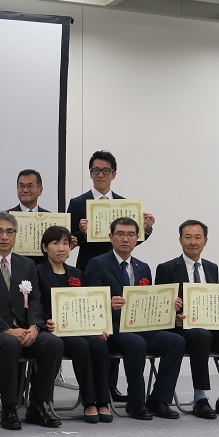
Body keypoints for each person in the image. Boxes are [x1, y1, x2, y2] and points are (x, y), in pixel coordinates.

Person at [66, 150, 156, 402]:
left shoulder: (124, 204)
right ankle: (96, 387)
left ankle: (112, 386)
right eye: (96, 170)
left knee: (120, 322)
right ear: (90, 173)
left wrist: (147, 229)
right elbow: (68, 241)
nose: (101, 175)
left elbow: (132, 240)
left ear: (114, 174)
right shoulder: (77, 203)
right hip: (91, 268)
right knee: (100, 325)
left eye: (106, 170)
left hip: (121, 269)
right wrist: (81, 233)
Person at [0, 212, 64, 430]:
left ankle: (38, 405)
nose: (4, 236)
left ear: (16, 235)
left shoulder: (27, 264)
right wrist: (6, 330)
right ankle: (9, 407)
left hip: (24, 330)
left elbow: (35, 299)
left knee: (53, 343)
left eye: (10, 231)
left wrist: (34, 327)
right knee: (9, 344)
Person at [83, 217, 185, 420]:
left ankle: (159, 399)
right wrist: (107, 303)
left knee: (176, 341)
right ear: (111, 237)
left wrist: (168, 304)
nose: (125, 239)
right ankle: (136, 403)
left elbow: (149, 302)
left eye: (130, 235)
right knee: (136, 343)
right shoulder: (97, 263)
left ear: (137, 238)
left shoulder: (143, 267)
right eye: (120, 234)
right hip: (112, 329)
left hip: (139, 326)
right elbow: (87, 300)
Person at [155, 219, 219, 418]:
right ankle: (200, 398)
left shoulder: (212, 267)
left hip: (210, 331)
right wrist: (174, 317)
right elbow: (159, 306)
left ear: (205, 241)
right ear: (180, 240)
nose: (193, 242)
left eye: (197, 237)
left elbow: (212, 303)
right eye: (188, 237)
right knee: (201, 335)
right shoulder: (166, 268)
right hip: (182, 333)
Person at [36, 226, 112, 423]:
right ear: (44, 247)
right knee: (81, 345)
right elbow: (34, 305)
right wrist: (44, 323)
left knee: (99, 343)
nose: (62, 248)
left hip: (77, 328)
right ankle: (89, 402)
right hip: (53, 331)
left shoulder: (77, 272)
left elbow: (88, 303)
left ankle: (103, 401)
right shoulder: (37, 272)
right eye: (56, 243)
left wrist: (98, 326)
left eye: (65, 243)